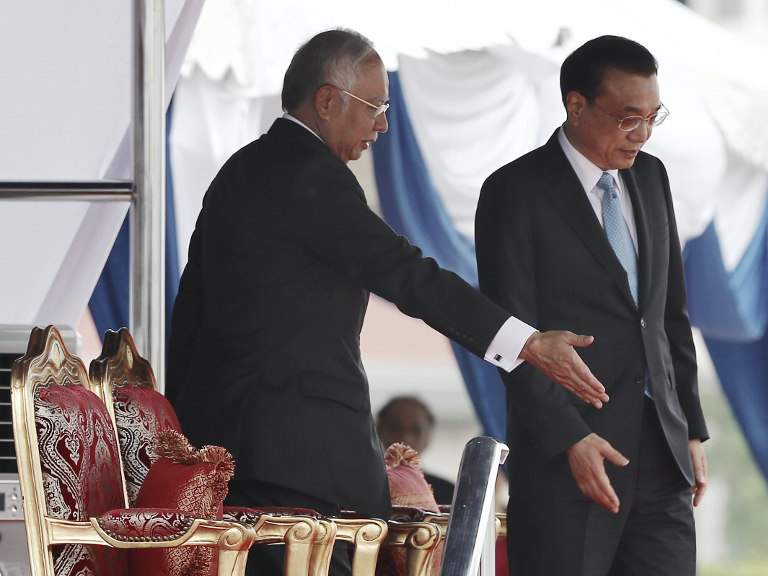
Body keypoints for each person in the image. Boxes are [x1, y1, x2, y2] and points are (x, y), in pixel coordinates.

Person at [166, 28, 607, 576]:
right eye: (375, 106)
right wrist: (527, 342)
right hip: (295, 466)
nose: (382, 125)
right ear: (327, 101)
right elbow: (406, 273)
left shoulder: (243, 168)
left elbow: (190, 313)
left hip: (232, 455)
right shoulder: (311, 175)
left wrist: (188, 439)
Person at [475, 35, 709, 576]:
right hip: (568, 462)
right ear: (576, 106)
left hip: (662, 454)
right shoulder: (515, 191)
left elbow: (669, 314)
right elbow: (509, 339)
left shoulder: (651, 176)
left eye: (652, 117)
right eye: (627, 118)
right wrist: (571, 438)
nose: (642, 134)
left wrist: (691, 427)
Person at [376, 396, 456, 504]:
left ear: (429, 435)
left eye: (416, 430)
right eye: (396, 428)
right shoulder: (361, 486)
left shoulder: (449, 493)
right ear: (379, 430)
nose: (406, 438)